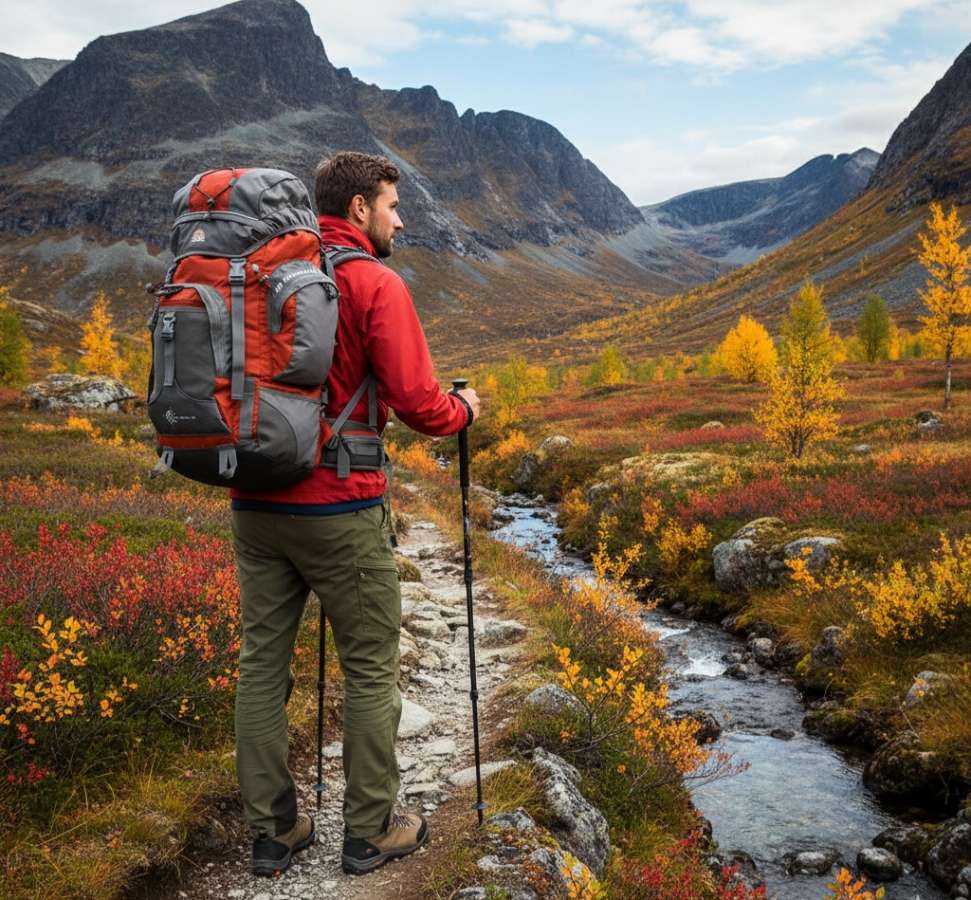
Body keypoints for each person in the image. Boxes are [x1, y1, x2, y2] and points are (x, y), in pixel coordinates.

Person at [230, 151, 481, 878]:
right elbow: (419, 404)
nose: (400, 218)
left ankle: (274, 833)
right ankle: (370, 831)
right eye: (392, 205)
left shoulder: (260, 276)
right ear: (360, 209)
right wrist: (464, 409)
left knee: (260, 667)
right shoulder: (374, 281)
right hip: (340, 506)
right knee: (371, 668)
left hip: (253, 502)